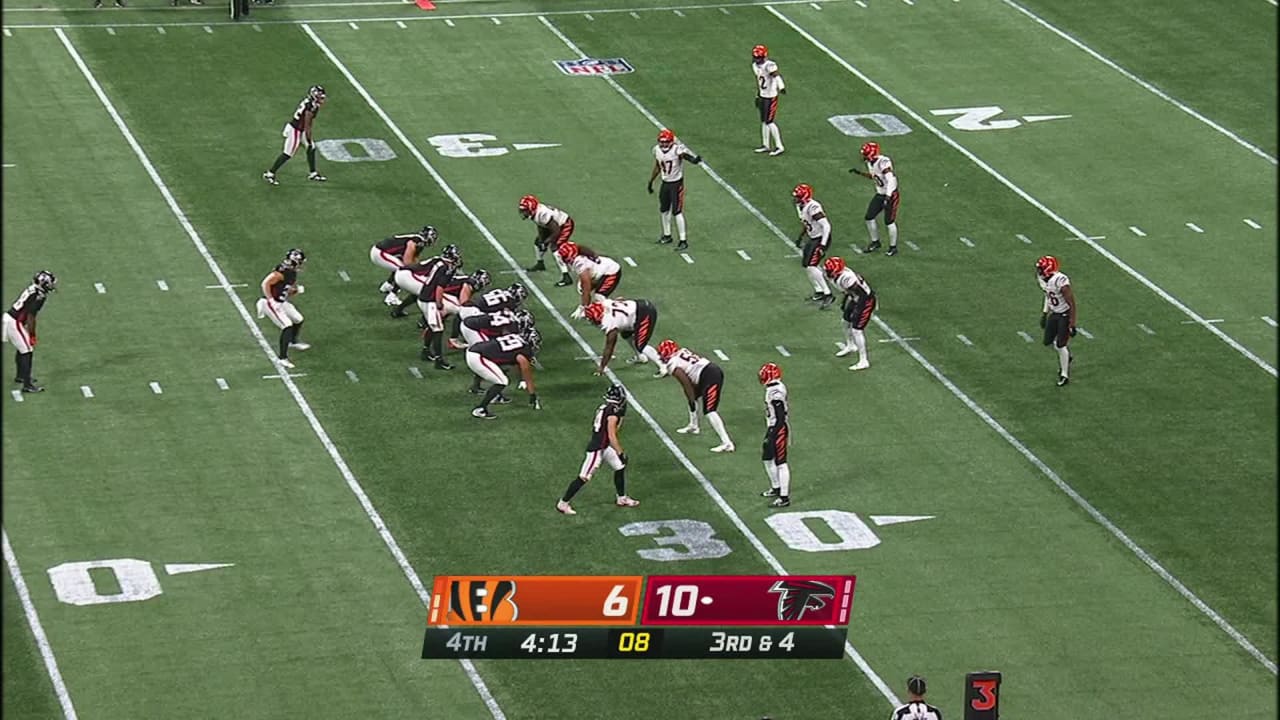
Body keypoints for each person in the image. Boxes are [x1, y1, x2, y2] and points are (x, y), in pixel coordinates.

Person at [557, 384, 641, 515]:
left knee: (619, 467)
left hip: (604, 446)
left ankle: (622, 498)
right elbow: (612, 434)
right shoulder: (613, 413)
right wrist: (620, 452)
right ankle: (563, 503)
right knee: (584, 477)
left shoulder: (605, 407)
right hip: (597, 448)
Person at [657, 340, 734, 453]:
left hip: (710, 376)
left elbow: (686, 384)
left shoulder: (672, 364)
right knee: (695, 398)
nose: (660, 356)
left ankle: (727, 443)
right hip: (707, 372)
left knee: (709, 411)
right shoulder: (682, 351)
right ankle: (694, 426)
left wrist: (691, 399)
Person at [466, 327, 541, 420]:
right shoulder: (523, 351)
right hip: (477, 357)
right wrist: (532, 394)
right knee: (502, 381)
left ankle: (488, 392)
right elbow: (527, 373)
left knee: (502, 369)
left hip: (476, 350)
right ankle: (480, 409)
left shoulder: (514, 337)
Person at [648, 128, 702, 251]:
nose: (663, 144)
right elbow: (657, 166)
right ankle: (667, 235)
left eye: (666, 142)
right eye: (661, 142)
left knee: (677, 212)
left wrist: (693, 160)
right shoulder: (656, 150)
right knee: (664, 209)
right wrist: (651, 181)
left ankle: (683, 240)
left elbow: (684, 155)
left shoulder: (676, 149)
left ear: (671, 142)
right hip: (665, 182)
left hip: (676, 184)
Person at [255, 249, 309, 369]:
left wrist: (295, 291)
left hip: (280, 301)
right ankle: (282, 358)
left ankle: (293, 342)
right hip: (272, 302)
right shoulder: (282, 272)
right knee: (287, 325)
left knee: (298, 319)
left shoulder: (291, 272)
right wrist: (271, 300)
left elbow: (284, 291)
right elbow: (265, 283)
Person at [3, 271, 57, 393]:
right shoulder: (39, 296)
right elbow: (31, 317)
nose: (52, 285)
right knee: (27, 350)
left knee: (22, 347)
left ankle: (21, 376)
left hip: (10, 318)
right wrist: (32, 334)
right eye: (50, 283)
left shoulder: (33, 289)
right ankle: (27, 385)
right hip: (14, 322)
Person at [263, 85, 327, 186]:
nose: (322, 98)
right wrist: (309, 139)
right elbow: (307, 125)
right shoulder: (311, 106)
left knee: (312, 148)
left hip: (299, 129)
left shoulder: (311, 103)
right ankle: (270, 173)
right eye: (319, 96)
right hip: (296, 130)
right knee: (288, 153)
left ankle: (313, 173)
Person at [581, 299, 662, 374]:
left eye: (590, 319)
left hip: (645, 314)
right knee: (626, 334)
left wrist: (602, 367)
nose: (590, 321)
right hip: (637, 309)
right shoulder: (604, 304)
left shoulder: (609, 323)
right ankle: (641, 357)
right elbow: (620, 299)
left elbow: (610, 347)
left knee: (641, 345)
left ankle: (663, 366)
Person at [824, 257, 876, 371]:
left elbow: (862, 295)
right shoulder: (838, 275)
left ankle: (863, 360)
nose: (827, 272)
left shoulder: (847, 277)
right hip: (855, 298)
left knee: (857, 330)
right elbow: (848, 292)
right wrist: (844, 303)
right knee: (845, 322)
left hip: (865, 301)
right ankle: (851, 345)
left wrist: (858, 309)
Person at [851, 142, 901, 256]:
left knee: (889, 221)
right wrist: (860, 173)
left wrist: (888, 196)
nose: (864, 157)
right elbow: (876, 177)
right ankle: (875, 242)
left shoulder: (883, 162)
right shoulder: (871, 162)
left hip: (891, 194)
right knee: (869, 217)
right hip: (880, 193)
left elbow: (891, 180)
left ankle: (893, 247)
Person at [370, 226, 437, 306]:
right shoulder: (417, 241)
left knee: (401, 266)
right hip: (379, 253)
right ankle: (391, 297)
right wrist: (413, 270)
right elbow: (407, 261)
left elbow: (415, 259)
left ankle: (388, 285)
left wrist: (419, 270)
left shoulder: (418, 241)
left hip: (380, 251)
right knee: (403, 270)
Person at [1036, 255, 1077, 387]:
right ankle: (1066, 356)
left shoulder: (1060, 280)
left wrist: (1072, 323)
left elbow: (1071, 303)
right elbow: (1048, 296)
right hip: (1054, 313)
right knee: (1047, 342)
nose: (1039, 272)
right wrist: (1044, 313)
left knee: (1060, 345)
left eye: (1041, 269)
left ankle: (1064, 375)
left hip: (1064, 314)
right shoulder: (1045, 280)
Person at [792, 184, 834, 308]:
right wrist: (801, 237)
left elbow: (826, 226)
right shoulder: (800, 206)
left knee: (812, 265)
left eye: (798, 197)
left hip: (821, 238)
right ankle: (819, 291)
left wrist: (822, 245)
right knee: (806, 265)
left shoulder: (813, 207)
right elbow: (807, 223)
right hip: (813, 237)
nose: (796, 199)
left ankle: (828, 294)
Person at [518, 195, 575, 286]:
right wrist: (542, 240)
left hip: (564, 225)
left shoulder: (543, 213)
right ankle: (540, 264)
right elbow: (540, 225)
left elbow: (556, 230)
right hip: (551, 226)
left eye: (525, 210)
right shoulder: (536, 213)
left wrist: (547, 242)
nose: (524, 213)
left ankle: (566, 276)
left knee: (555, 248)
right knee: (538, 242)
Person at [757, 362, 791, 507]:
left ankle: (784, 497)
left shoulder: (776, 391)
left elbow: (780, 416)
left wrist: (772, 434)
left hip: (778, 428)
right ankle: (776, 487)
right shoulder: (773, 387)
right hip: (774, 427)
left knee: (781, 463)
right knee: (767, 458)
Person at [559, 242, 622, 313]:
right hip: (599, 270)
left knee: (599, 296)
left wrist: (584, 307)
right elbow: (581, 247)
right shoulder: (577, 253)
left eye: (564, 256)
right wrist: (594, 256)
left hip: (611, 271)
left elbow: (587, 289)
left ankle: (617, 307)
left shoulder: (580, 264)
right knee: (581, 288)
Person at [751, 45, 786, 156]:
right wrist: (757, 95)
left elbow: (776, 76)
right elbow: (759, 82)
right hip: (763, 95)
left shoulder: (769, 65)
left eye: (758, 57)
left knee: (769, 121)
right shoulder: (755, 66)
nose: (756, 60)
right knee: (764, 121)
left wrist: (781, 87)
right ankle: (765, 145)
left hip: (771, 96)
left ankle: (779, 146)